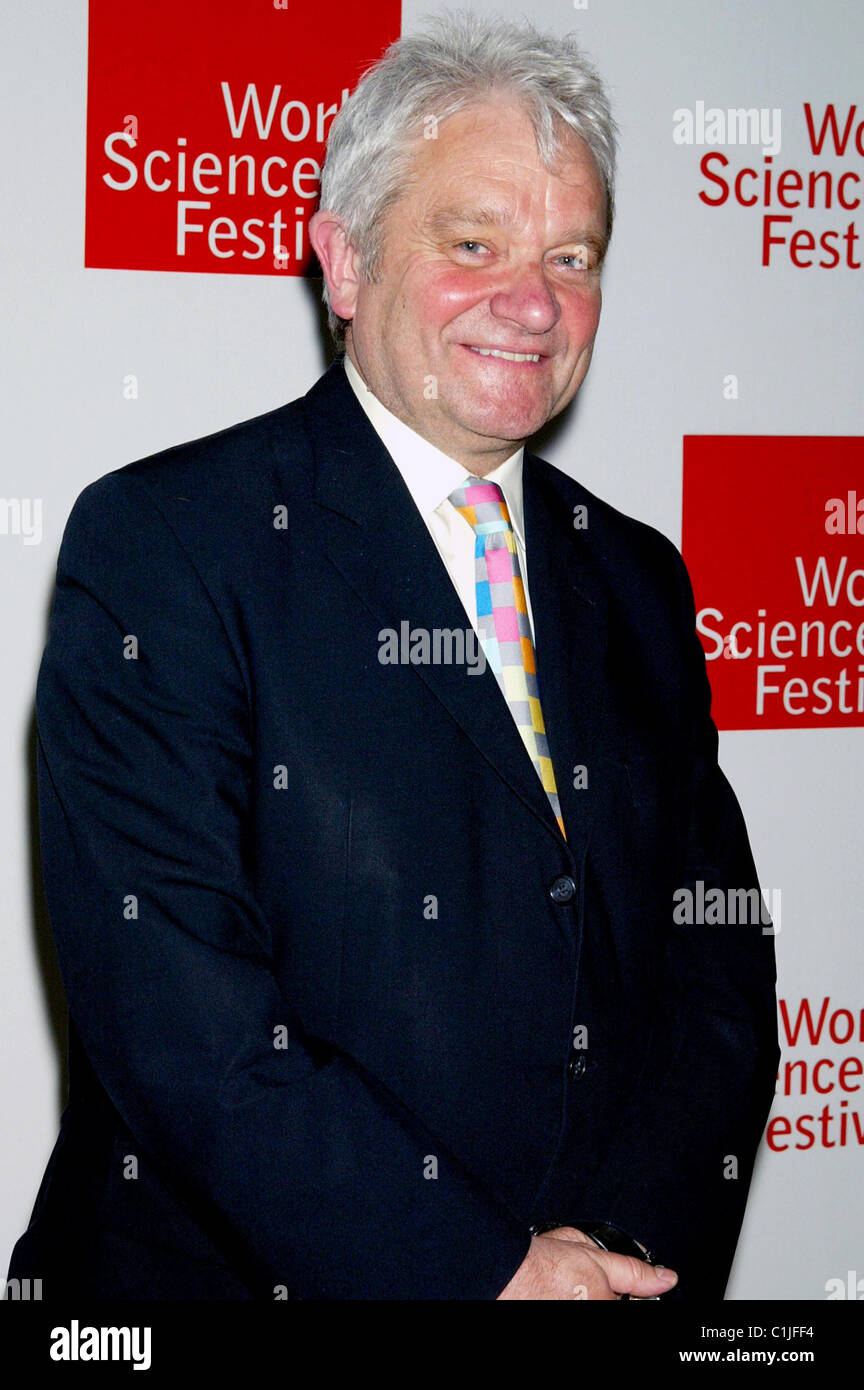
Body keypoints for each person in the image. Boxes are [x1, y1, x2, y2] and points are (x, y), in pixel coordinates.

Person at [8, 14, 779, 1301]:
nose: (531, 303)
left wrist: (618, 1261)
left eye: (570, 256)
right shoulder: (169, 547)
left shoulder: (637, 577)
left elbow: (716, 959)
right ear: (347, 263)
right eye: (471, 244)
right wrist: (482, 1274)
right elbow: (180, 1020)